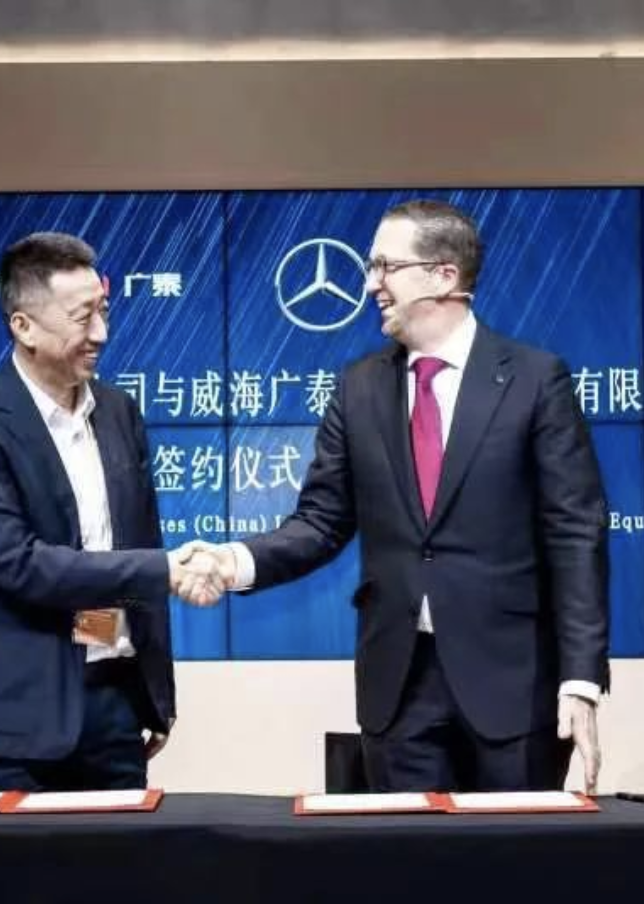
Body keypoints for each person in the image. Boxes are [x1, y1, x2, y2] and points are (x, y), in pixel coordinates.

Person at [177, 200, 609, 793]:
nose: (370, 284)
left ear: (444, 276)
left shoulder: (535, 379)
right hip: (400, 687)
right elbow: (321, 522)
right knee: (405, 852)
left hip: (514, 683)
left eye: (385, 266)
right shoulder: (359, 387)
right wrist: (232, 562)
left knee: (515, 852)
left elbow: (575, 532)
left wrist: (581, 679)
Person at [0, 231, 222, 792]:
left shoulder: (118, 413)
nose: (101, 333)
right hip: (17, 727)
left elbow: (137, 540)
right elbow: (21, 566)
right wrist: (165, 569)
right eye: (81, 317)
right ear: (24, 327)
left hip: (115, 706)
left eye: (103, 311)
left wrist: (155, 694)